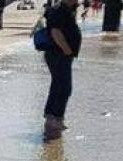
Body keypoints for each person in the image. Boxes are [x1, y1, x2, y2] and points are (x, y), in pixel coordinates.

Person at [43, 0, 81, 138]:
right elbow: (55, 32)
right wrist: (67, 50)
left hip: (61, 54)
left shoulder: (67, 9)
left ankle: (55, 118)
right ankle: (53, 119)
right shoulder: (58, 10)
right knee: (63, 86)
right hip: (58, 54)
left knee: (60, 85)